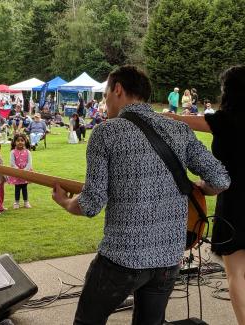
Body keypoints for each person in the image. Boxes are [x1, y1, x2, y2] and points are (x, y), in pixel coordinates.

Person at [52, 65, 230, 325]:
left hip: (122, 258)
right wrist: (199, 188)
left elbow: (91, 204)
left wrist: (66, 202)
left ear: (119, 89)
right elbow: (221, 180)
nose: (105, 103)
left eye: (105, 96)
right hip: (168, 259)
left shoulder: (106, 132)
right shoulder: (178, 129)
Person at [165, 65, 245, 325]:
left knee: (235, 275)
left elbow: (189, 122)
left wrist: (163, 115)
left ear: (229, 90)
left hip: (237, 201)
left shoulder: (224, 119)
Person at [8, 133, 32, 209]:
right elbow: (12, 163)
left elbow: (29, 163)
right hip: (16, 173)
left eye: (22, 140)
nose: (20, 142)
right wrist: (18, 170)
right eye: (18, 141)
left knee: (24, 188)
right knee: (17, 188)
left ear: (25, 141)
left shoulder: (28, 152)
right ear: (14, 142)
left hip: (26, 172)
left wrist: (25, 170)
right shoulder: (12, 152)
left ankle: (26, 202)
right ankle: (16, 202)